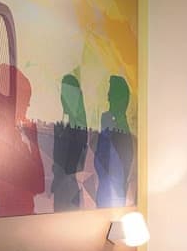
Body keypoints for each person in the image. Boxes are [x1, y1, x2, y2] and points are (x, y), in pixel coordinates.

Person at [0, 64, 45, 216]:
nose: (27, 108)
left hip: (19, 220)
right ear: (12, 99)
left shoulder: (4, 134)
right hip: (15, 221)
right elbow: (38, 185)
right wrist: (34, 142)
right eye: (25, 101)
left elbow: (38, 185)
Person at [94, 75, 134, 207]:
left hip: (112, 200)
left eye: (111, 93)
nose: (108, 97)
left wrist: (105, 131)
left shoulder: (122, 133)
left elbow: (103, 164)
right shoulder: (117, 128)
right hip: (107, 197)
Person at [51, 74, 89, 211]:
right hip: (63, 190)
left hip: (68, 191)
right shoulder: (65, 125)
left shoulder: (77, 127)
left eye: (66, 94)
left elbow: (72, 164)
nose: (62, 98)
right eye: (62, 93)